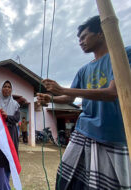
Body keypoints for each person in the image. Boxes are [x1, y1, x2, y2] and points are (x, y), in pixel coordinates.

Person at [37, 16, 131, 190]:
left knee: (107, 186)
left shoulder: (123, 54)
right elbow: (69, 99)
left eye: (84, 37)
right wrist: (50, 99)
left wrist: (63, 89)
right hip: (84, 130)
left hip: (112, 134)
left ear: (101, 33)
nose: (80, 42)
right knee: (66, 179)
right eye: (79, 39)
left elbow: (113, 93)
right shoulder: (84, 70)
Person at [0, 80, 20, 190]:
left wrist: (7, 117)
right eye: (5, 86)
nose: (7, 89)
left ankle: (0, 187)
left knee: (8, 161)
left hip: (11, 134)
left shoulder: (15, 104)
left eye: (9, 87)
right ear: (1, 88)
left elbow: (16, 119)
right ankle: (3, 187)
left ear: (11, 90)